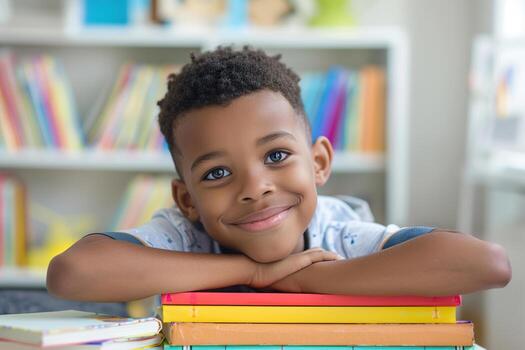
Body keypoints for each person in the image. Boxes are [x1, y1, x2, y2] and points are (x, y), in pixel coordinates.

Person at [47, 47, 511, 302]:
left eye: (275, 157)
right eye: (218, 173)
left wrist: (303, 280)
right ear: (186, 200)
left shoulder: (336, 233)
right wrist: (254, 271)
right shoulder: (183, 235)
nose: (255, 188)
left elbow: (487, 264)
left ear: (320, 163)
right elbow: (72, 273)